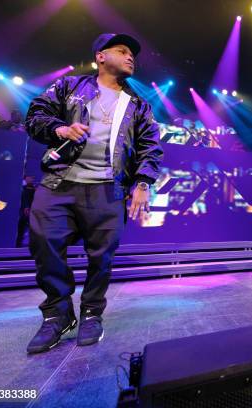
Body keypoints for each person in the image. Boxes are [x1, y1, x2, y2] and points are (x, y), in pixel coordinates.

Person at [24, 33, 163, 353]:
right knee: (44, 244)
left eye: (133, 54)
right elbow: (35, 116)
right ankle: (57, 314)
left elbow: (150, 148)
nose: (131, 57)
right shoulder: (69, 87)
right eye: (122, 51)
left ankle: (91, 313)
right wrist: (59, 129)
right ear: (101, 56)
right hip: (59, 183)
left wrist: (142, 184)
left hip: (107, 189)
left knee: (102, 257)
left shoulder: (139, 105)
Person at [15, 175, 36, 247]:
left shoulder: (34, 189)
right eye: (29, 177)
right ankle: (18, 246)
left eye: (32, 177)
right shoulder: (22, 189)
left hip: (32, 212)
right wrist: (26, 207)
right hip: (23, 212)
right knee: (21, 229)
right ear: (25, 178)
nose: (31, 179)